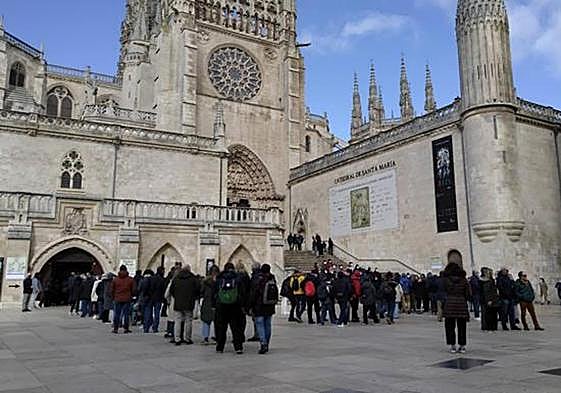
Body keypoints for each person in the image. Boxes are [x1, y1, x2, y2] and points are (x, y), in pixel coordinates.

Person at [214, 262, 247, 354]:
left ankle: (220, 347)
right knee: (236, 327)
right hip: (235, 306)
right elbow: (242, 293)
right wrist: (242, 305)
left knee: (221, 327)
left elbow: (214, 292)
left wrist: (214, 305)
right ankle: (238, 347)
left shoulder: (219, 279)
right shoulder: (238, 279)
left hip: (221, 306)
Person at [249, 263, 278, 354]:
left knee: (260, 324)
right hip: (269, 305)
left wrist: (250, 305)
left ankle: (263, 343)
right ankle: (267, 343)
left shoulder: (258, 278)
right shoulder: (272, 278)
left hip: (259, 305)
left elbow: (253, 293)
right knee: (267, 325)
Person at [442, 263, 471, 354]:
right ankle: (462, 346)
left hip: (449, 304)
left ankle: (452, 346)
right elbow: (468, 294)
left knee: (450, 327)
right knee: (462, 326)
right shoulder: (464, 280)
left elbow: (443, 292)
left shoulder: (446, 280)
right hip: (461, 304)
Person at [169, 264, 200, 345]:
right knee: (188, 321)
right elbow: (198, 289)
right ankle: (187, 338)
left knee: (178, 321)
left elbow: (171, 290)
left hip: (178, 303)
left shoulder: (176, 278)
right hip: (189, 303)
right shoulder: (193, 279)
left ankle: (177, 338)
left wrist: (177, 296)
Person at [111, 265, 136, 334]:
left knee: (117, 314)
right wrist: (132, 295)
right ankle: (126, 328)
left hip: (117, 298)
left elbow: (112, 290)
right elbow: (134, 290)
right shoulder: (130, 279)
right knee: (126, 314)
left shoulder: (115, 280)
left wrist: (113, 297)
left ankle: (116, 328)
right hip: (127, 299)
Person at [201, 265, 219, 344]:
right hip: (217, 303)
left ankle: (205, 337)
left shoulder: (205, 282)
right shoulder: (219, 281)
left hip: (207, 303)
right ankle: (217, 337)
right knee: (217, 321)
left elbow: (201, 291)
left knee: (206, 321)